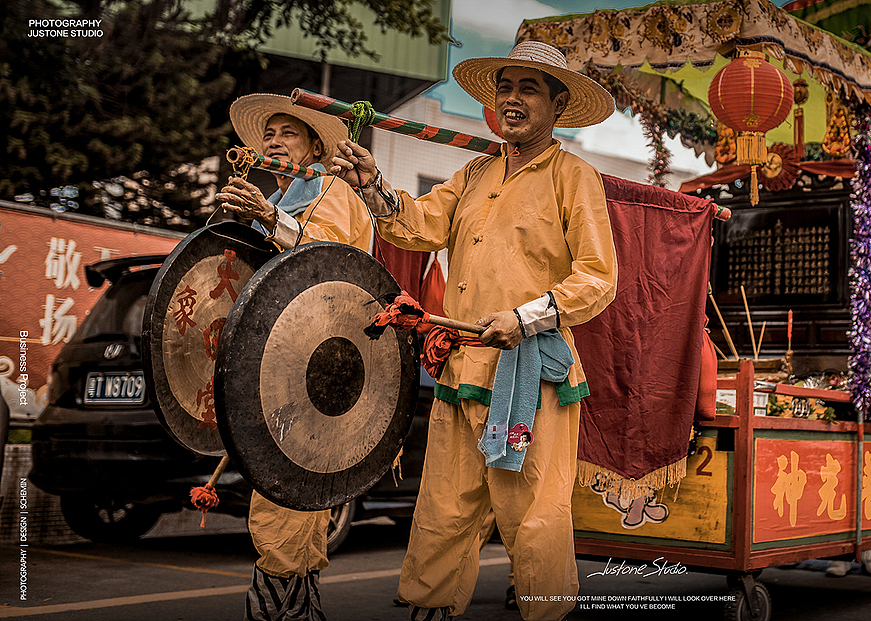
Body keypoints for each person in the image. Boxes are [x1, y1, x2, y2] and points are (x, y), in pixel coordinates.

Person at [328, 41, 617, 621]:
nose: (511, 99)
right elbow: (416, 226)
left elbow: (598, 277)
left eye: (528, 88)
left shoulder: (574, 176)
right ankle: (429, 611)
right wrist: (372, 186)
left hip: (533, 375)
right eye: (504, 87)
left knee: (534, 519)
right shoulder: (474, 173)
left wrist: (524, 316)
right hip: (461, 371)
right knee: (441, 509)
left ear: (558, 105)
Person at [214, 93, 370, 621]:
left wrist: (266, 215)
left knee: (288, 493)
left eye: (288, 133)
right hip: (283, 365)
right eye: (270, 133)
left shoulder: (332, 190)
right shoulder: (279, 203)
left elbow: (322, 257)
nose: (274, 141)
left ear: (313, 148)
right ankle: (298, 610)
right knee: (289, 491)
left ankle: (278, 611)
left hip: (322, 367)